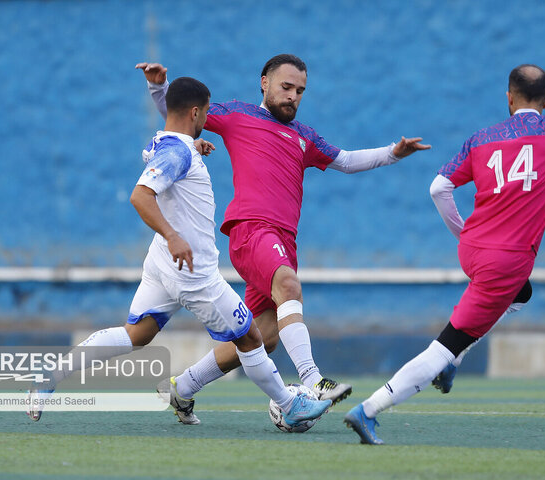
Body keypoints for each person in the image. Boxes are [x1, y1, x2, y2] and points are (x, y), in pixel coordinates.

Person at [344, 56, 545, 444]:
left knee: (522, 294)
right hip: (507, 261)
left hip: (474, 251)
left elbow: (438, 187)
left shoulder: (482, 138)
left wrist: (462, 233)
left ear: (509, 98)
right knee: (445, 345)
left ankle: (455, 359)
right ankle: (369, 409)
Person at [135, 54, 431, 422]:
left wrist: (393, 153)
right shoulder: (238, 115)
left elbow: (347, 160)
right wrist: (157, 86)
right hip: (251, 230)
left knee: (263, 336)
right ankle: (313, 381)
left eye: (300, 91)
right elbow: (181, 115)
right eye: (286, 87)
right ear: (265, 83)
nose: (293, 96)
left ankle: (182, 388)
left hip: (283, 241)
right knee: (288, 285)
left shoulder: (304, 136)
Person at [28, 76, 332, 427]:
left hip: (162, 264)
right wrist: (173, 235)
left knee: (138, 334)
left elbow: (168, 160)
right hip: (191, 271)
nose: (207, 121)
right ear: (195, 112)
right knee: (251, 337)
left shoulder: (168, 144)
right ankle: (289, 404)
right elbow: (141, 195)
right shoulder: (177, 152)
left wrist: (194, 145)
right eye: (204, 114)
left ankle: (52, 374)